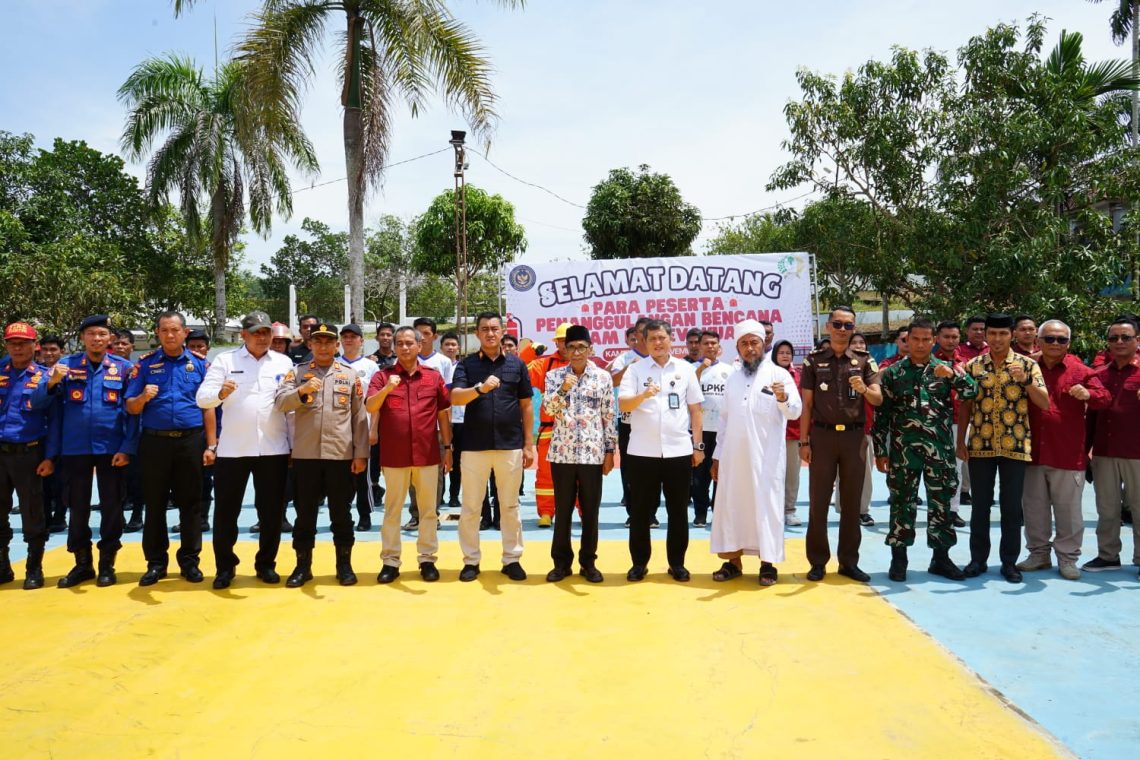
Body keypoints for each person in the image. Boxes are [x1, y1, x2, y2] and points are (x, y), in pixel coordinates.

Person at [873, 318, 978, 582]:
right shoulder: (894, 373)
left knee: (941, 504)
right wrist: (880, 451)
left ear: (933, 341)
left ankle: (941, 558)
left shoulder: (947, 369)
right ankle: (899, 559)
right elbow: (882, 414)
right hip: (903, 451)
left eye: (925, 339)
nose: (920, 344)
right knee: (901, 504)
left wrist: (953, 376)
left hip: (939, 451)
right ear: (907, 341)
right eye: (915, 339)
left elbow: (972, 392)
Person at [196, 311, 293, 589]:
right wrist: (220, 394)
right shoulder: (226, 361)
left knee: (271, 512)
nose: (262, 337)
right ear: (244, 335)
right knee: (227, 512)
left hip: (273, 447)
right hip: (233, 449)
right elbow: (202, 399)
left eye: (266, 332)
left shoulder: (283, 362)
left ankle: (266, 564)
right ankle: (225, 568)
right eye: (256, 332)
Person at [274, 323, 370, 587]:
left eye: (329, 342)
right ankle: (302, 566)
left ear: (336, 345)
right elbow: (280, 403)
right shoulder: (297, 373)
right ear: (311, 345)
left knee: (341, 513)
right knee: (305, 514)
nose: (324, 346)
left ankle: (344, 566)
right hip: (306, 457)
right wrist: (301, 392)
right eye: (318, 342)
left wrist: (361, 454)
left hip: (340, 456)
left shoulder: (350, 376)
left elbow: (359, 417)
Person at [957, 313, 1049, 583]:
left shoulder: (1027, 365)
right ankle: (977, 560)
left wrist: (1025, 381)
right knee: (980, 506)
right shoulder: (973, 366)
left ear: (1012, 335)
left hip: (1015, 445)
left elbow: (1044, 402)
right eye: (992, 334)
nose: (997, 339)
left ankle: (1009, 562)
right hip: (980, 444)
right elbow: (965, 405)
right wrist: (960, 440)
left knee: (1011, 508)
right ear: (985, 335)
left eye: (1002, 334)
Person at [1015, 320, 1110, 580]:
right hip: (1032, 452)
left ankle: (1068, 559)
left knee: (1069, 512)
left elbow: (1105, 398)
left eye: (1061, 339)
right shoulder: (1026, 368)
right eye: (1049, 338)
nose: (1055, 344)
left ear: (1069, 343)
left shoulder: (1081, 371)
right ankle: (1038, 554)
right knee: (1035, 510)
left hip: (1067, 454)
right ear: (1039, 341)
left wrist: (1089, 395)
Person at [709, 321, 801, 586]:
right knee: (731, 506)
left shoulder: (779, 376)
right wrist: (717, 456)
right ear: (737, 347)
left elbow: (795, 412)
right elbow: (724, 421)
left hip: (766, 460)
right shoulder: (733, 378)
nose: (750, 348)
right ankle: (733, 562)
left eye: (754, 343)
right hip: (733, 458)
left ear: (763, 345)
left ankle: (767, 563)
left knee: (766, 508)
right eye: (744, 343)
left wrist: (783, 398)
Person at [125, 311, 214, 586]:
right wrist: (143, 397)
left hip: (191, 441)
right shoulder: (146, 365)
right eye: (164, 330)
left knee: (191, 503)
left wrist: (212, 444)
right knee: (155, 504)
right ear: (157, 333)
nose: (170, 335)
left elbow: (209, 405)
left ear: (185, 332)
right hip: (155, 442)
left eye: (175, 330)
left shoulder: (199, 364)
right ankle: (156, 563)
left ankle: (189, 561)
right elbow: (130, 406)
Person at [449, 312, 535, 582]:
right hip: (474, 446)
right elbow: (456, 398)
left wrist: (528, 444)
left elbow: (526, 405)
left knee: (509, 506)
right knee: (472, 507)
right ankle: (471, 560)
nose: (490, 333)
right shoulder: (466, 366)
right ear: (476, 333)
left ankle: (512, 559)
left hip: (510, 445)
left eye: (494, 329)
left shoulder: (516, 365)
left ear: (502, 331)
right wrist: (480, 389)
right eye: (484, 329)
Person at [799, 306, 883, 583]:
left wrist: (864, 389)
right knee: (818, 502)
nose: (842, 330)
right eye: (837, 324)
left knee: (851, 502)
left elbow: (877, 399)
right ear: (827, 327)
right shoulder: (812, 361)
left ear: (854, 329)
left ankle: (848, 561)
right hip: (822, 437)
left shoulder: (865, 361)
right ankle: (818, 562)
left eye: (848, 326)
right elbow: (807, 405)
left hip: (854, 438)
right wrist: (803, 442)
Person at [618, 319, 705, 582]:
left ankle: (677, 563)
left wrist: (697, 445)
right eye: (652, 339)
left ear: (670, 339)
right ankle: (639, 564)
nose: (657, 343)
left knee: (678, 510)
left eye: (662, 338)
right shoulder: (635, 370)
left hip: (678, 450)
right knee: (641, 511)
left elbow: (695, 410)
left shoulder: (685, 370)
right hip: (642, 453)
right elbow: (624, 404)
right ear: (644, 341)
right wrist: (643, 395)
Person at [54, 315, 137, 588]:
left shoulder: (124, 368)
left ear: (109, 338)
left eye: (102, 334)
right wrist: (52, 381)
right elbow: (44, 405)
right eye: (91, 334)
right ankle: (82, 564)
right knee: (77, 508)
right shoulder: (65, 366)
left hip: (111, 449)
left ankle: (106, 564)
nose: (97, 339)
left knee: (112, 507)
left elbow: (132, 414)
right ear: (82, 337)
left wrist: (127, 448)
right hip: (75, 448)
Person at [368, 326, 452, 583]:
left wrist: (448, 448)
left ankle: (427, 559)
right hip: (394, 456)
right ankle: (390, 562)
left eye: (409, 343)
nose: (405, 347)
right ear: (394, 347)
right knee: (393, 511)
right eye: (400, 343)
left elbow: (443, 414)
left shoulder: (433, 377)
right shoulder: (383, 376)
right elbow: (371, 406)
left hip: (427, 455)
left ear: (420, 345)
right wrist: (386, 391)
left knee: (428, 511)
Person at [542, 325, 617, 583]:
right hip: (562, 454)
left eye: (581, 347)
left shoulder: (603, 378)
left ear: (590, 349)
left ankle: (589, 563)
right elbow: (549, 410)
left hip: (592, 454)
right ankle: (561, 564)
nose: (576, 352)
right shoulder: (554, 376)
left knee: (590, 511)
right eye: (571, 347)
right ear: (564, 349)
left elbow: (608, 416)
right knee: (563, 511)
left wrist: (610, 451)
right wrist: (563, 388)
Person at [0, 322, 62, 589]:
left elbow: (55, 421)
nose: (18, 347)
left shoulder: (46, 377)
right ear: (6, 345)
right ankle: (3, 566)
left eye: (23, 343)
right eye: (13, 342)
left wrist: (50, 457)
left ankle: (33, 567)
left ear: (34, 347)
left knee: (33, 512)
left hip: (30, 453)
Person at [1084, 317, 1140, 576]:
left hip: (1136, 453)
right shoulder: (1099, 375)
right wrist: (1086, 450)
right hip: (1105, 452)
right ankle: (1108, 555)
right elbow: (1092, 416)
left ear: (1137, 341)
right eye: (1113, 338)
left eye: (1125, 337)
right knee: (1107, 509)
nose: (1119, 342)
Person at [404, 316, 453, 531]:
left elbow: (447, 400)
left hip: (436, 429)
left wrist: (447, 432)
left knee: (436, 474)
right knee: (412, 474)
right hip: (410, 430)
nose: (422, 338)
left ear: (434, 336)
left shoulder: (442, 362)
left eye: (426, 334)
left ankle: (432, 514)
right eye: (418, 334)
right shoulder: (404, 361)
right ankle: (416, 514)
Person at [609, 319, 656, 525]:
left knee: (654, 467)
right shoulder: (625, 358)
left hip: (653, 420)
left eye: (648, 331)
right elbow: (612, 381)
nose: (643, 335)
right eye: (640, 331)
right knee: (630, 468)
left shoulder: (660, 358)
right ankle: (633, 512)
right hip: (628, 419)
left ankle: (651, 513)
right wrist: (630, 367)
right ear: (635, 334)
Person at [528, 322, 572, 528]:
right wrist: (529, 349)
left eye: (569, 340)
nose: (565, 345)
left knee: (581, 475)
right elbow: (517, 373)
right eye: (561, 341)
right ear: (556, 342)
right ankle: (546, 511)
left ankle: (582, 511)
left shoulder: (588, 366)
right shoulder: (544, 365)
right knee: (546, 474)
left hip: (578, 431)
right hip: (550, 429)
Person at [339, 323, 380, 531]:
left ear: (361, 341)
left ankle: (365, 516)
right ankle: (342, 515)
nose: (349, 340)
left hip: (364, 425)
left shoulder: (371, 367)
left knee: (364, 475)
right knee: (340, 476)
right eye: (345, 336)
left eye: (353, 337)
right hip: (338, 428)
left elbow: (377, 400)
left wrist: (374, 429)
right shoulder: (334, 363)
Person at [691, 330, 731, 527]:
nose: (710, 347)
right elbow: (688, 392)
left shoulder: (730, 370)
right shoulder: (691, 369)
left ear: (719, 347)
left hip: (723, 429)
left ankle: (719, 511)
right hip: (701, 429)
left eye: (713, 343)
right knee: (699, 473)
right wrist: (700, 370)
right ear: (699, 346)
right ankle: (700, 512)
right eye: (706, 343)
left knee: (721, 473)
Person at [935, 320, 971, 521]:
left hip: (959, 421)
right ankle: (936, 509)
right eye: (946, 336)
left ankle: (952, 510)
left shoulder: (966, 363)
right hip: (933, 422)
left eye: (954, 337)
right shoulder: (929, 362)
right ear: (937, 338)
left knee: (955, 467)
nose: (950, 341)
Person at [183, 329, 214, 535]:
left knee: (204, 479)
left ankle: (202, 518)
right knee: (183, 482)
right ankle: (187, 519)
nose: (196, 350)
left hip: (205, 434)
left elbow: (215, 407)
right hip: (185, 433)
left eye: (200, 346)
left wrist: (214, 438)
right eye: (192, 346)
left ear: (207, 348)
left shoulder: (210, 369)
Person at [36, 334, 67, 534]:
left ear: (61, 352)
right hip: (41, 432)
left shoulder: (71, 372)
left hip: (64, 432)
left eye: (53, 350)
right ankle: (45, 517)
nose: (48, 353)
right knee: (43, 481)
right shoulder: (36, 373)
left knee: (62, 479)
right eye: (45, 349)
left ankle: (60, 516)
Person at [115, 328, 144, 532]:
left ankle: (137, 514)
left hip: (133, 427)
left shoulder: (136, 369)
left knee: (136, 476)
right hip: (110, 430)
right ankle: (117, 516)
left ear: (132, 347)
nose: (119, 347)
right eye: (115, 343)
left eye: (124, 343)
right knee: (114, 478)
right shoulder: (104, 367)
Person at [772, 340, 804, 526]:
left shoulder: (799, 376)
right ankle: (773, 510)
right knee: (771, 474)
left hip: (793, 433)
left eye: (788, 353)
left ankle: (789, 510)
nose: (785, 355)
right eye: (781, 352)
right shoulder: (766, 375)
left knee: (792, 474)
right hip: (771, 433)